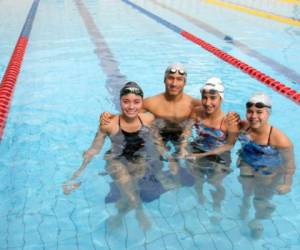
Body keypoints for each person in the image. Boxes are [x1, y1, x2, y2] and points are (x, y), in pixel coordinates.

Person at [63, 81, 159, 231]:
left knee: (131, 192)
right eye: (126, 101)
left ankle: (118, 217)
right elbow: (92, 151)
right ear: (119, 101)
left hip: (138, 160)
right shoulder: (108, 124)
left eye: (136, 102)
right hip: (116, 161)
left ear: (142, 103)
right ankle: (141, 214)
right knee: (132, 196)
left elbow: (156, 139)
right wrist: (76, 176)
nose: (131, 106)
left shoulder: (148, 119)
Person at [100, 63, 200, 176]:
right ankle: (160, 178)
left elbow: (210, 118)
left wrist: (183, 146)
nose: (174, 83)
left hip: (182, 135)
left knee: (193, 165)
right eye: (170, 78)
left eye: (179, 79)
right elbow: (130, 114)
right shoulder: (150, 103)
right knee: (154, 164)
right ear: (164, 80)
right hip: (158, 135)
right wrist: (110, 116)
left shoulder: (194, 104)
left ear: (185, 82)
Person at [236, 92, 295, 238]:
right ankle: (245, 202)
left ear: (268, 113)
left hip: (269, 171)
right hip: (248, 162)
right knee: (246, 189)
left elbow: (290, 164)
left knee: (260, 199)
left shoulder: (280, 139)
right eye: (250, 112)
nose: (253, 116)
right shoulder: (244, 126)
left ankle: (257, 220)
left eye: (259, 112)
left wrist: (287, 184)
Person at [183, 77, 239, 214]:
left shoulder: (229, 122)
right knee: (197, 178)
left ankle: (217, 206)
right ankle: (200, 198)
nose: (208, 103)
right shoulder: (196, 112)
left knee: (215, 182)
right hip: (198, 147)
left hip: (220, 154)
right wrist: (183, 147)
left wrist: (201, 155)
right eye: (205, 97)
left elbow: (229, 146)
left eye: (213, 98)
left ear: (221, 98)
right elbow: (187, 130)